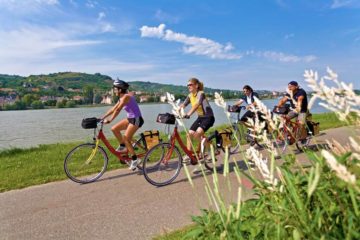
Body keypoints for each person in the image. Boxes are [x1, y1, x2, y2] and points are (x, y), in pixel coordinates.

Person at [101, 79, 144, 170]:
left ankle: (135, 159)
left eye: (115, 89)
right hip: (130, 119)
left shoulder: (126, 97)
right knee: (114, 129)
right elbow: (113, 109)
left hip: (136, 119)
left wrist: (110, 120)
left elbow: (118, 110)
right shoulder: (121, 98)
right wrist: (102, 117)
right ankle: (123, 146)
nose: (114, 91)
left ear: (120, 89)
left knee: (126, 138)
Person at [179, 78, 215, 163]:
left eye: (190, 84)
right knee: (189, 134)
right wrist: (176, 111)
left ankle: (212, 150)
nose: (188, 86)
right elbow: (183, 105)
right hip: (200, 118)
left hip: (208, 117)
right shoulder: (190, 96)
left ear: (196, 85)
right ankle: (189, 154)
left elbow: (197, 104)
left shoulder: (200, 93)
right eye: (187, 85)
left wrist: (188, 114)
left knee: (197, 134)